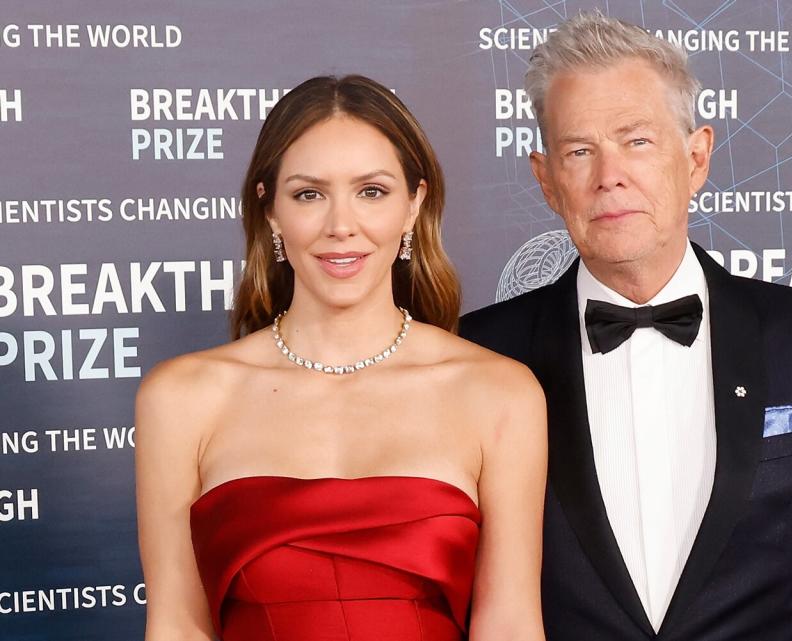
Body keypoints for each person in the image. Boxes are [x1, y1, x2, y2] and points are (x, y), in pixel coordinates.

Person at [459, 12, 792, 641]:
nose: (608, 175)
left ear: (696, 157)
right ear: (546, 179)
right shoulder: (481, 354)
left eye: (636, 141)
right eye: (579, 151)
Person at [135, 75, 547, 641]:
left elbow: (510, 625)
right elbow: (177, 627)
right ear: (271, 210)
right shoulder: (183, 398)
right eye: (309, 194)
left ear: (413, 204)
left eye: (371, 191)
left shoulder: (500, 392)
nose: (341, 226)